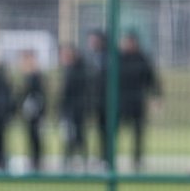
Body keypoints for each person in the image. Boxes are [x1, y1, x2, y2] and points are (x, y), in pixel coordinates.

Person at [117, 30, 162, 171]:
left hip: (137, 102)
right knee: (114, 131)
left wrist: (157, 96)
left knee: (138, 133)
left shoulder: (142, 59)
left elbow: (151, 79)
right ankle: (109, 157)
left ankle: (137, 159)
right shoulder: (118, 58)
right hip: (121, 102)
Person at [57, 43, 89, 168]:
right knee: (70, 134)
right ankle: (70, 157)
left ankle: (78, 158)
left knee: (77, 133)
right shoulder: (69, 70)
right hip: (70, 108)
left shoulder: (78, 70)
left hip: (76, 108)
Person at [84, 30, 113, 169]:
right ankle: (100, 156)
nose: (91, 43)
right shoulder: (92, 58)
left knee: (107, 131)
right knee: (99, 130)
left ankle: (107, 157)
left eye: (94, 40)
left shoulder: (109, 58)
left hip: (108, 102)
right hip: (95, 101)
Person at [19, 50, 47, 172]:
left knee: (36, 136)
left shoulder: (36, 76)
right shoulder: (27, 76)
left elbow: (39, 95)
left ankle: (37, 161)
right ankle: (33, 160)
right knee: (31, 136)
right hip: (29, 111)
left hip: (36, 111)